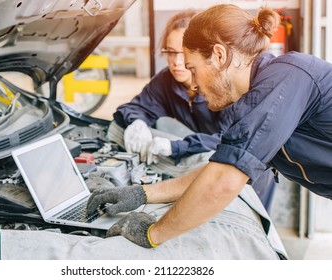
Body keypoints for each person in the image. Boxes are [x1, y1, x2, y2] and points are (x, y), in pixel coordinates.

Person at [87, 4, 332, 249]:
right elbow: (217, 170)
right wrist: (142, 193)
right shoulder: (254, 101)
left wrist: (152, 233)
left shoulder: (285, 78)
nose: (192, 84)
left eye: (193, 69)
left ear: (219, 56)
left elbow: (223, 182)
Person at [108, 10, 277, 211]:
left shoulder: (224, 87)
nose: (177, 62)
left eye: (183, 53)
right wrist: (137, 121)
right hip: (207, 165)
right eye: (170, 52)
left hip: (250, 170)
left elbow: (229, 141)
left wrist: (177, 147)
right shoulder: (166, 81)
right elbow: (137, 107)